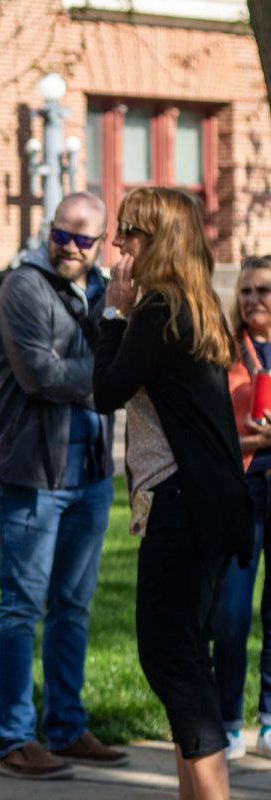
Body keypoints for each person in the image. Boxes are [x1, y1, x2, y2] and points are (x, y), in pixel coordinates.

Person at [93, 186, 253, 799]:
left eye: (128, 231)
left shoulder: (158, 309)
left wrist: (113, 312)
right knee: (186, 659)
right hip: (207, 504)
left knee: (171, 660)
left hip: (184, 505)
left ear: (156, 240)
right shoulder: (196, 303)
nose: (117, 244)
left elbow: (106, 391)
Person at [0, 192, 127, 779]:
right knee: (21, 606)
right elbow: (40, 374)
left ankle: (66, 726)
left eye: (82, 239)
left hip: (89, 473)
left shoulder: (107, 290)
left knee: (73, 606)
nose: (67, 247)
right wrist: (111, 375)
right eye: (61, 234)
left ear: (101, 242)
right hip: (30, 471)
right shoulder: (23, 286)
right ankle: (15, 737)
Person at [216, 255, 271, 760]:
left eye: (264, 290)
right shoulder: (227, 350)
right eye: (247, 290)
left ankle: (270, 718)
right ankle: (228, 719)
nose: (253, 299)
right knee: (231, 610)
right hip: (244, 483)